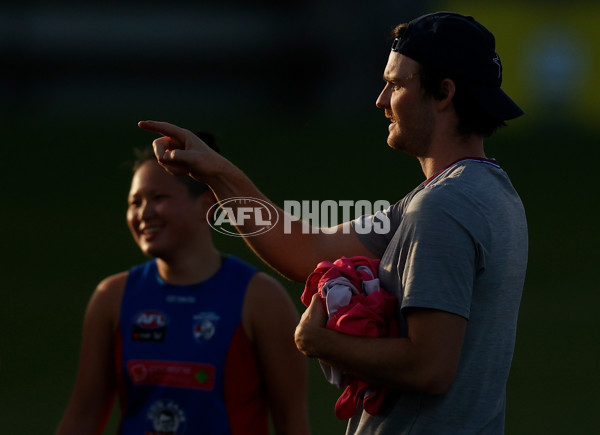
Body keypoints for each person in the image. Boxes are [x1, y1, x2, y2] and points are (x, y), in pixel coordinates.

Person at [137, 11, 528, 434]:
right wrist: (217, 175)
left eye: (396, 84)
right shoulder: (489, 193)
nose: (380, 100)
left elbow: (429, 367)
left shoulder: (443, 207)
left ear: (444, 92)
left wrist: (319, 341)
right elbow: (309, 249)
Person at [56, 133, 310, 435]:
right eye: (134, 202)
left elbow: (291, 422)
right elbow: (83, 417)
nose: (143, 213)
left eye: (159, 198)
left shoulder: (260, 298)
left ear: (206, 204)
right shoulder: (112, 297)